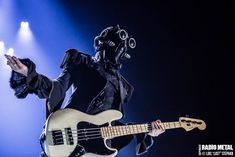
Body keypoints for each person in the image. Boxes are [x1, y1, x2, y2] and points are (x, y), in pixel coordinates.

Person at [5, 25, 165, 157]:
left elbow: (112, 124)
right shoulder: (82, 62)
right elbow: (57, 88)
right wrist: (29, 74)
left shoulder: (123, 86)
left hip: (92, 150)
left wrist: (147, 131)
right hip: (67, 137)